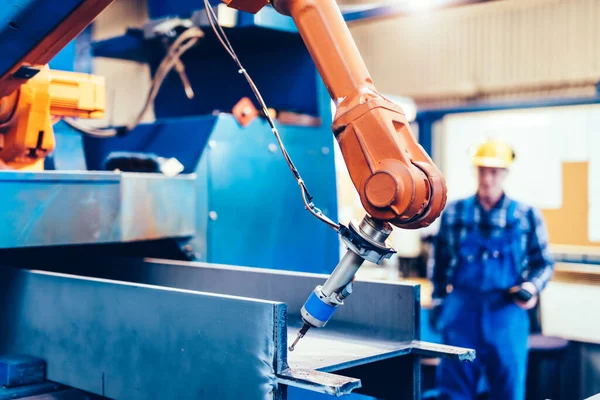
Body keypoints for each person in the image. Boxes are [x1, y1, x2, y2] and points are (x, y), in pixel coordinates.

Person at [429, 138, 555, 400]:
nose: (487, 179)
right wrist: (441, 302)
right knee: (454, 391)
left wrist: (531, 288)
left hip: (506, 314)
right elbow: (438, 265)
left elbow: (543, 263)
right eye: (482, 171)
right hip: (461, 313)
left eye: (494, 172)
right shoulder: (454, 213)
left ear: (505, 174)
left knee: (507, 391)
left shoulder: (526, 216)